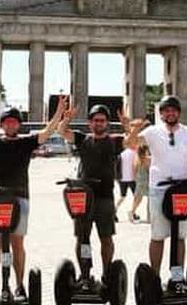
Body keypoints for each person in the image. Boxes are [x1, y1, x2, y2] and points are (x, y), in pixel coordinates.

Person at [0, 90, 67, 301]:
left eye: (14, 122)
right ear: (3, 125)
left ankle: (20, 286)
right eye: (7, 122)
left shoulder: (26, 143)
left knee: (17, 243)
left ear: (18, 125)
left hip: (20, 198)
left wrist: (58, 113)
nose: (11, 125)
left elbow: (48, 132)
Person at [124, 95, 187, 285]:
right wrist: (135, 130)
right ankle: (154, 277)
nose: (170, 113)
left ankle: (177, 277)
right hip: (159, 189)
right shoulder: (152, 132)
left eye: (174, 110)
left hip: (182, 189)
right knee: (158, 235)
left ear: (178, 112)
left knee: (179, 236)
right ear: (161, 113)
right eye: (166, 110)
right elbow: (128, 144)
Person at [58, 104, 130, 282]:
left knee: (106, 238)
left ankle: (107, 273)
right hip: (83, 197)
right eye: (95, 120)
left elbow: (133, 141)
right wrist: (67, 118)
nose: (99, 123)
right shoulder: (83, 139)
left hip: (105, 197)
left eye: (102, 121)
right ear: (90, 123)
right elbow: (62, 131)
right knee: (83, 238)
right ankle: (84, 274)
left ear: (107, 123)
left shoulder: (114, 141)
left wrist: (127, 126)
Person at [115, 144, 137, 222]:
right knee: (136, 197)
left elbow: (117, 166)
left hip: (122, 179)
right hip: (132, 178)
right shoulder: (135, 153)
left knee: (122, 196)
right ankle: (133, 212)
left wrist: (117, 178)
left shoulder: (121, 154)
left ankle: (114, 211)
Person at [130, 141, 150, 223]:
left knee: (138, 199)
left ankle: (132, 212)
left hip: (139, 180)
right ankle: (149, 216)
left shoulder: (136, 159)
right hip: (147, 180)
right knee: (150, 199)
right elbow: (149, 171)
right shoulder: (147, 159)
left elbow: (134, 171)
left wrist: (136, 179)